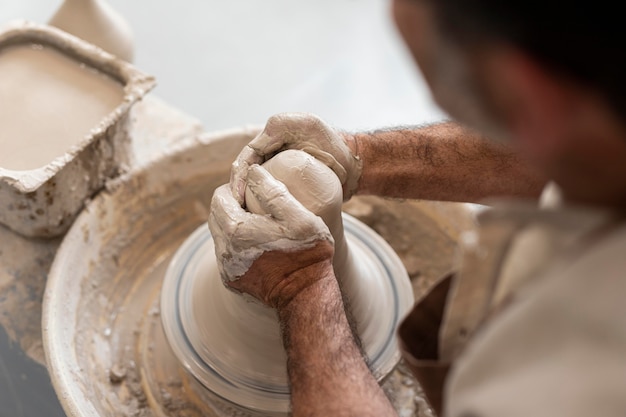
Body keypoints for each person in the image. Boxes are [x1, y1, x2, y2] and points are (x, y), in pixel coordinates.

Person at [208, 0, 626, 416]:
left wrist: (299, 285)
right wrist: (359, 157)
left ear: (528, 91)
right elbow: (569, 138)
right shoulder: (596, 115)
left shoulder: (585, 381)